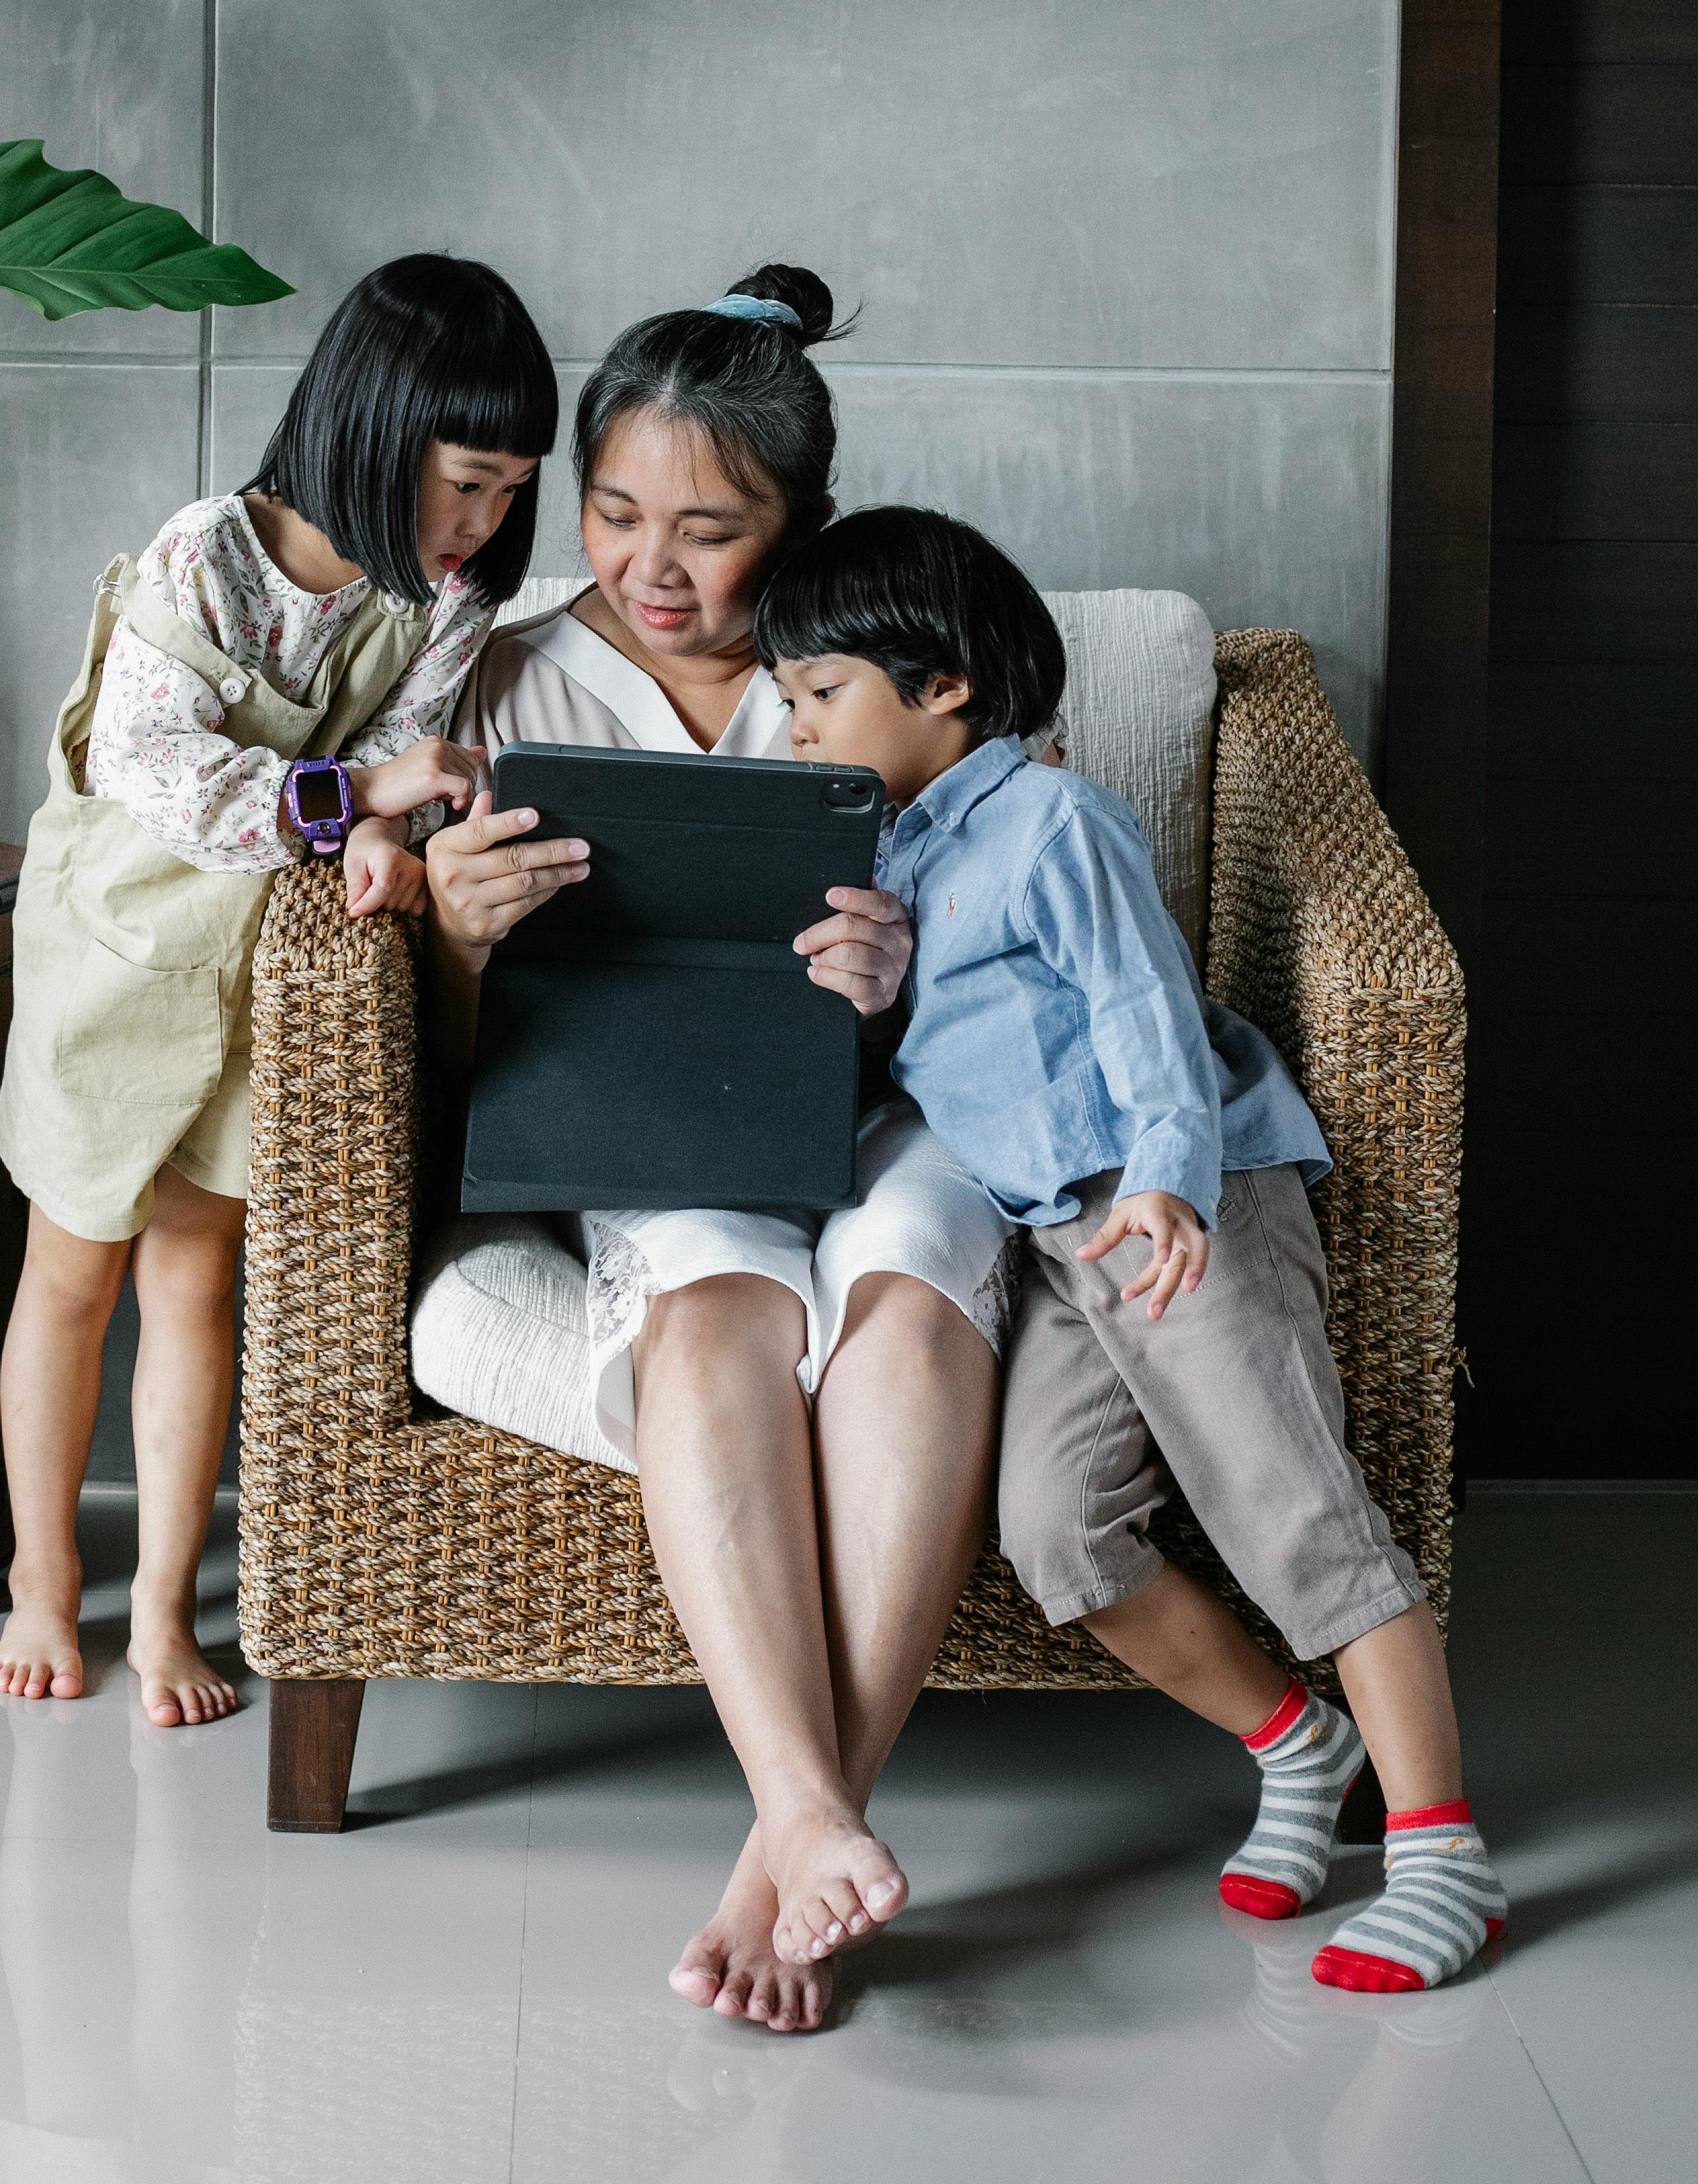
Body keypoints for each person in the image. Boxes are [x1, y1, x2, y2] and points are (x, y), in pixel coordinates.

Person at [754, 505, 1508, 1997]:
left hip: (1172, 1198)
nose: (795, 731)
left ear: (946, 684)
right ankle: (1301, 1750)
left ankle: (1440, 1851)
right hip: (1055, 1234)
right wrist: (868, 1002)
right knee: (1056, 1536)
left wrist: (1170, 1183)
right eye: (787, 702)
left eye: (819, 693)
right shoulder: (889, 866)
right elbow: (953, 1062)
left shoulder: (1056, 822)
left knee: (1295, 1508)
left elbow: (1143, 1011)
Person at [423, 269, 1013, 2035]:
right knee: (714, 1315)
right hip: (657, 1130)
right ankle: (816, 1817)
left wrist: (907, 980)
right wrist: (454, 935)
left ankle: (791, 1845)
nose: (651, 569)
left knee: (907, 1313)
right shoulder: (509, 677)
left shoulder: (886, 657)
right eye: (611, 514)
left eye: (711, 530)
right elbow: (439, 1054)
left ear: (800, 526)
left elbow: (1027, 923)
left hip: (904, 1108)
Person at [0, 255, 556, 1726]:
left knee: (196, 1278)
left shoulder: (443, 602)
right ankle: (46, 1584)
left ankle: (171, 1611)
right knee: (72, 1269)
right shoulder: (204, 558)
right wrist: (360, 789)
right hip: (119, 946)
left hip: (262, 979)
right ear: (373, 435)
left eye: (512, 494)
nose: (488, 526)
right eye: (469, 485)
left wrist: (388, 838)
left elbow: (419, 766)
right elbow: (158, 773)